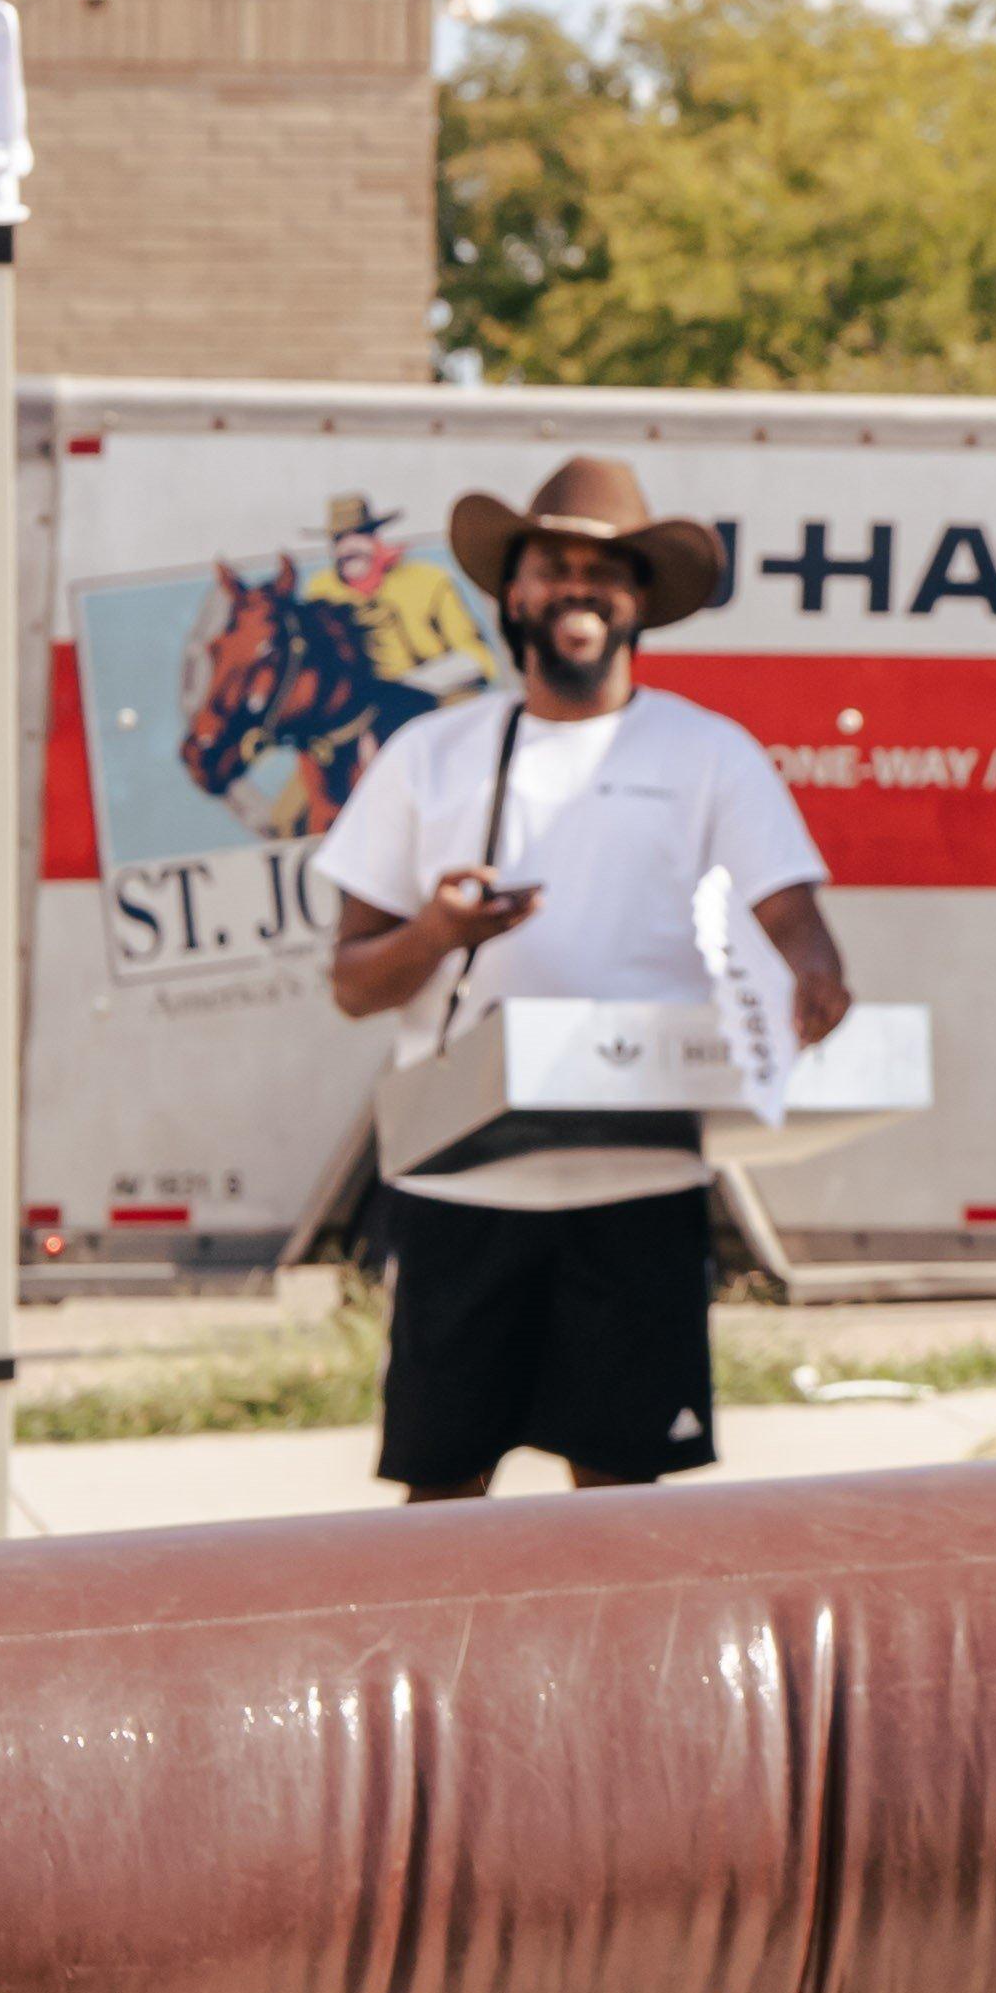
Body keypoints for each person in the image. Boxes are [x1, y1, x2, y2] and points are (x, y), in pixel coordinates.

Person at [317, 454, 848, 1501]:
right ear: (511, 591)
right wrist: (437, 929)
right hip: (458, 1184)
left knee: (619, 1505)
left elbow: (793, 917)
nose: (580, 587)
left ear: (640, 599)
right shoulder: (431, 754)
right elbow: (352, 981)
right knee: (442, 1496)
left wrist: (817, 979)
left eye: (608, 569)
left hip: (637, 1186)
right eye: (554, 563)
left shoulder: (709, 752)